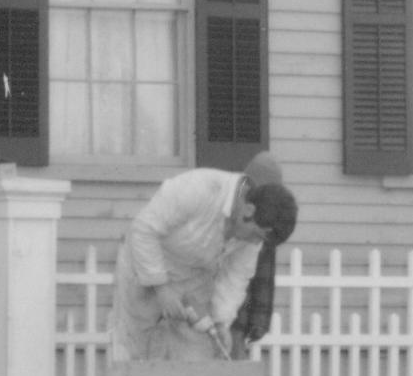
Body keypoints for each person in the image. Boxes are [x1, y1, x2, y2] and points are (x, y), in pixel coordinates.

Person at [110, 152, 297, 363]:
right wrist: (160, 287)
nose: (255, 243)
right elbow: (143, 230)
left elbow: (235, 278)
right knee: (135, 357)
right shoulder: (199, 188)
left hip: (192, 283)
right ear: (248, 209)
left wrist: (221, 322)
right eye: (256, 235)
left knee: (197, 358)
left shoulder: (253, 232)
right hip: (143, 270)